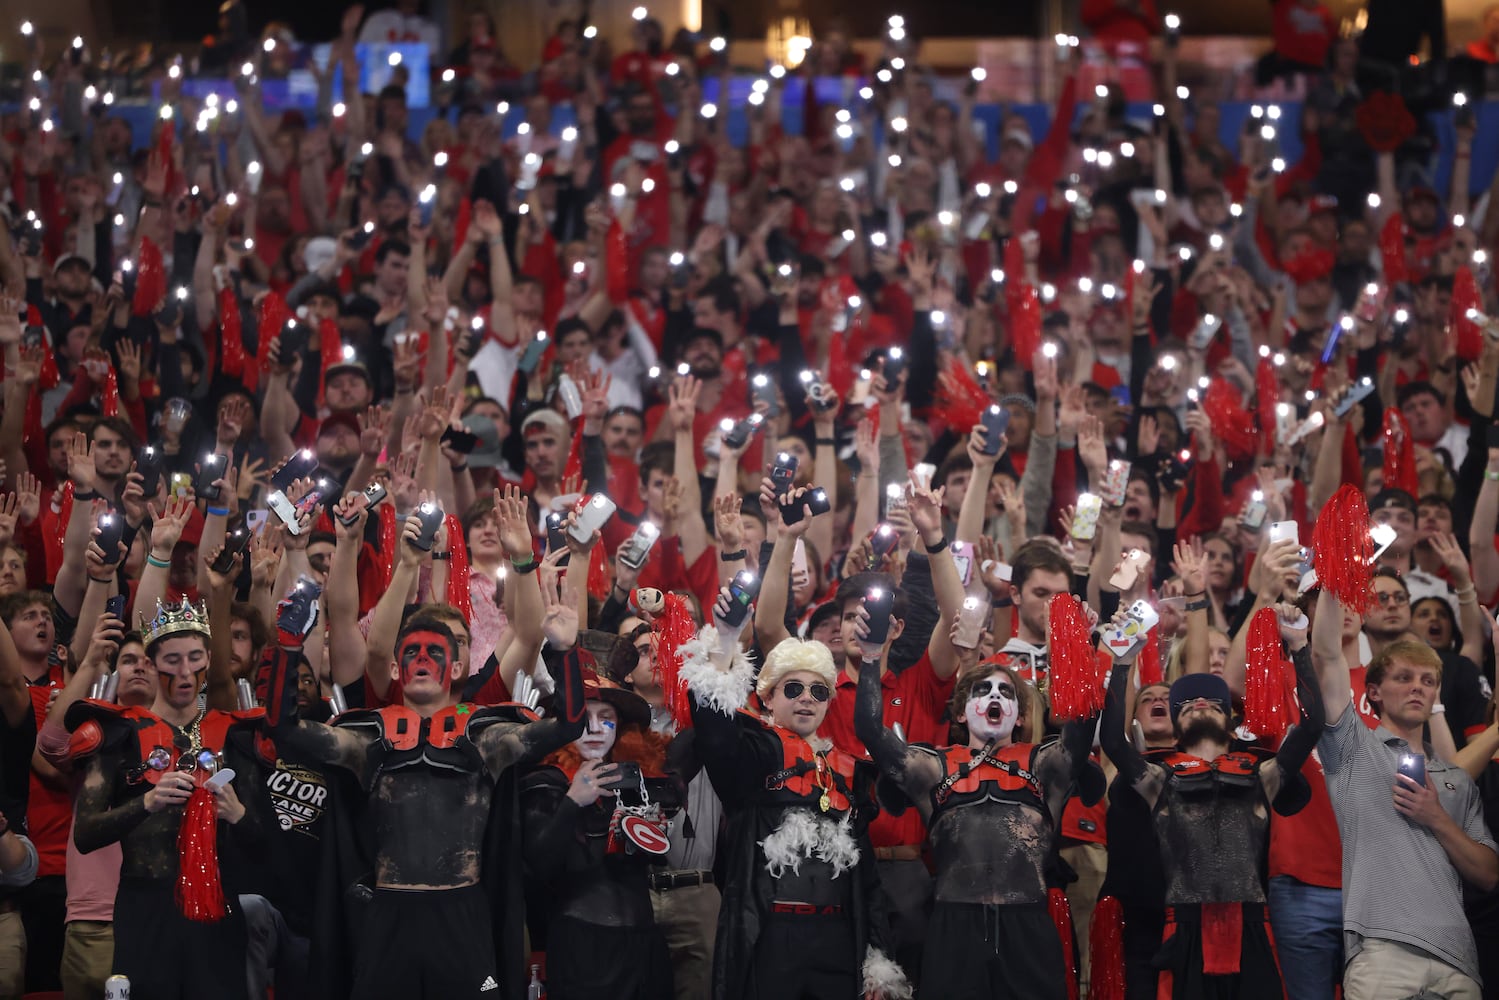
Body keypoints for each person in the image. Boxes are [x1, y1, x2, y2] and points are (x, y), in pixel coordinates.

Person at [261, 567, 585, 999]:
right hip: (387, 913)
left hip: (462, 912)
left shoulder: (488, 736)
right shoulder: (365, 735)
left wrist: (565, 651)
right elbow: (283, 728)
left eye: (436, 652)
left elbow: (569, 724)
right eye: (412, 652)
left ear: (456, 666)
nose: (423, 661)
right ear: (396, 668)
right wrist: (287, 647)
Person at [853, 604, 1097, 999]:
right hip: (954, 928)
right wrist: (869, 656)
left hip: (1028, 928)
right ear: (962, 713)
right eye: (982, 691)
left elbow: (1083, 724)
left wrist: (1076, 648)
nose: (994, 696)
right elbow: (869, 729)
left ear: (1019, 716)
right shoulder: (933, 767)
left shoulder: (1043, 763)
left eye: (1005, 692)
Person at [679, 591, 911, 1000]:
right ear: (767, 697)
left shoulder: (849, 772)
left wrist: (877, 960)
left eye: (819, 691)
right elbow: (714, 733)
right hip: (770, 939)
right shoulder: (753, 753)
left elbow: (868, 882)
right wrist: (727, 640)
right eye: (794, 689)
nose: (807, 698)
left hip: (839, 941)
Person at [1099, 605, 1324, 999]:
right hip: (1182, 925)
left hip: (1253, 924)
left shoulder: (1262, 774)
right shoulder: (1158, 778)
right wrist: (1123, 661)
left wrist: (1300, 646)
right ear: (1175, 724)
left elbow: (1312, 726)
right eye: (1186, 703)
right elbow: (1115, 743)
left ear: (1229, 719)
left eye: (1211, 701)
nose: (1199, 703)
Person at [66, 599, 270, 1000]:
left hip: (218, 908)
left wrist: (239, 815)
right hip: (144, 907)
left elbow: (269, 845)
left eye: (194, 658)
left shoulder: (236, 736)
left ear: (209, 660)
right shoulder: (118, 735)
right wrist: (146, 803)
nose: (183, 671)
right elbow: (86, 834)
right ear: (152, 662)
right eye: (172, 659)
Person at [1312, 586, 1499, 1000]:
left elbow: (1488, 874)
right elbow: (1325, 655)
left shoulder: (1455, 777)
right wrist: (1332, 575)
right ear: (1373, 692)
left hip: (1460, 961)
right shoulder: (1353, 747)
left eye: (1427, 681)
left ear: (1435, 695)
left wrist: (1436, 817)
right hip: (1381, 953)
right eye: (1403, 678)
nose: (1417, 687)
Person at [521, 668, 677, 999]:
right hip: (583, 946)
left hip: (644, 946)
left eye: (605, 717)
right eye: (583, 718)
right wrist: (572, 802)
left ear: (619, 725)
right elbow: (536, 868)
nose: (594, 728)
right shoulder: (546, 781)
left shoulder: (639, 782)